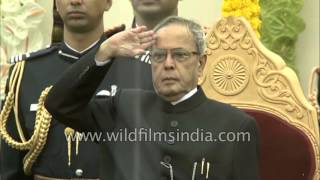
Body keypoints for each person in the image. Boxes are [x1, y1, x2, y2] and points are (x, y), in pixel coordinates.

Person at [45, 16, 260, 180]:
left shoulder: (236, 127)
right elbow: (59, 104)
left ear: (201, 64)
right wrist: (104, 51)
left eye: (180, 55)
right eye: (159, 55)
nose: (168, 64)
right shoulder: (122, 107)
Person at [0, 0, 120, 179]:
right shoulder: (26, 72)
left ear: (108, 3)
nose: (75, 1)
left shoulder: (132, 69)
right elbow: (10, 167)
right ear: (56, 4)